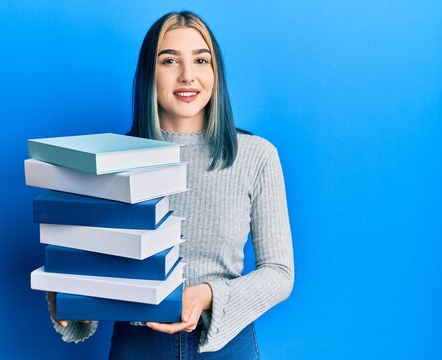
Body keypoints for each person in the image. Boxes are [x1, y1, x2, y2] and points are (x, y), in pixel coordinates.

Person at [47, 11, 294, 359]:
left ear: (215, 72)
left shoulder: (256, 156)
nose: (187, 75)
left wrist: (207, 294)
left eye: (200, 60)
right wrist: (74, 306)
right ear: (150, 73)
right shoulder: (109, 160)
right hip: (137, 345)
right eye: (169, 60)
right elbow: (96, 272)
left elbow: (279, 274)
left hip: (225, 343)